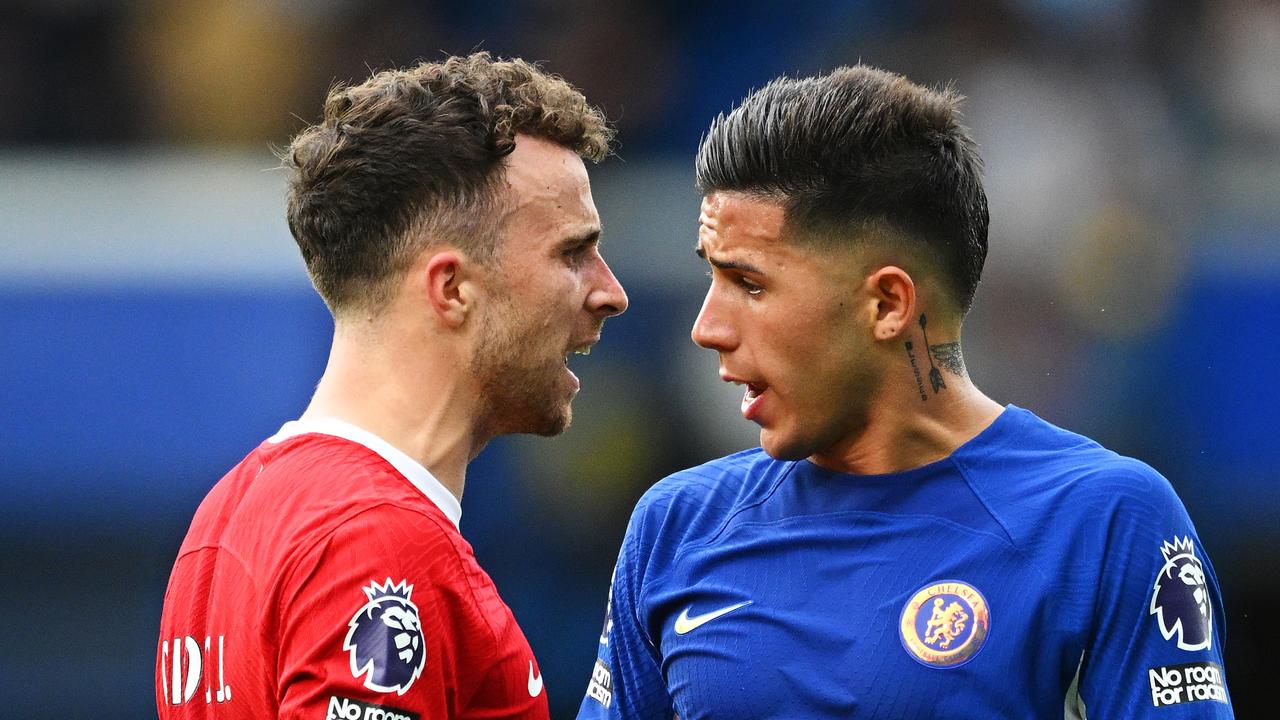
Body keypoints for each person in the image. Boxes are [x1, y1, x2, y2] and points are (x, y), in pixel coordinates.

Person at [577, 66, 1232, 719]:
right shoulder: (675, 527)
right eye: (712, 279)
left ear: (888, 304)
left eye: (749, 284)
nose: (706, 328)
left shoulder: (1104, 521)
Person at [156, 52, 627, 720]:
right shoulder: (377, 542)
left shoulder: (227, 519)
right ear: (453, 288)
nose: (611, 292)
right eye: (572, 253)